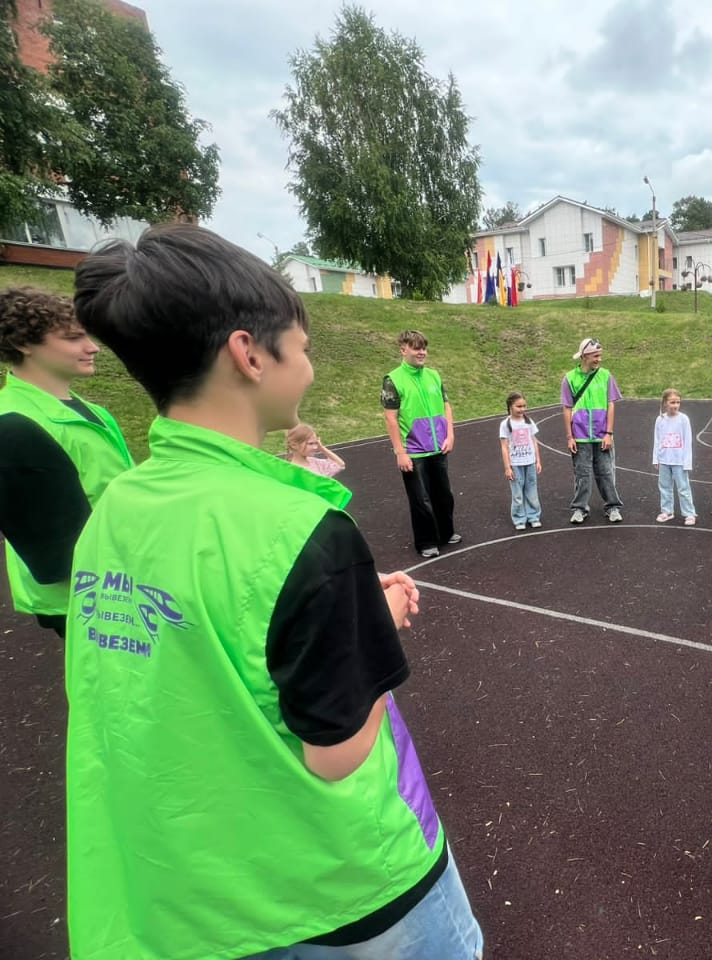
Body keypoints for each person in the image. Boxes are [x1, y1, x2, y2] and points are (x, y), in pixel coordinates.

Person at [65, 225, 483, 960]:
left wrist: (335, 606)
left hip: (186, 895)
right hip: (340, 892)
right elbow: (337, 752)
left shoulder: (116, 509)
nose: (311, 367)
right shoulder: (301, 531)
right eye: (302, 347)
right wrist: (372, 618)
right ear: (249, 354)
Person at [0, 287, 133, 637]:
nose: (93, 347)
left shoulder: (93, 411)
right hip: (83, 596)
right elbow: (54, 551)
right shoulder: (11, 424)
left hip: (120, 578)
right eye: (74, 338)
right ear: (24, 344)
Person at [382, 329, 460, 559]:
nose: (421, 352)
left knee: (444, 494)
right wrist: (400, 452)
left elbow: (446, 406)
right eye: (416, 348)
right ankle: (426, 541)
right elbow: (391, 418)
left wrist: (450, 435)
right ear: (403, 350)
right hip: (414, 451)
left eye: (424, 348)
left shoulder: (433, 375)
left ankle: (446, 533)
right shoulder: (393, 380)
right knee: (420, 499)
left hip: (439, 446)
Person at [561, 336, 623, 524]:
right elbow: (567, 408)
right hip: (580, 436)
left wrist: (609, 433)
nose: (599, 359)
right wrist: (570, 436)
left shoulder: (606, 376)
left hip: (601, 435)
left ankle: (612, 506)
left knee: (606, 473)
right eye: (596, 355)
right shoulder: (569, 378)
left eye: (600, 355)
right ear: (585, 356)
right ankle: (580, 508)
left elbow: (610, 404)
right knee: (582, 475)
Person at [652, 388, 696, 525]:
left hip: (679, 461)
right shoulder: (660, 419)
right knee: (664, 487)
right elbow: (657, 440)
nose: (675, 405)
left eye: (678, 402)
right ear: (665, 402)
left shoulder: (683, 419)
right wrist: (656, 458)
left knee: (683, 488)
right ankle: (667, 511)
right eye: (672, 402)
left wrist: (687, 462)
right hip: (664, 460)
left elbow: (687, 441)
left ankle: (689, 513)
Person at [500, 390, 543, 530]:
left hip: (530, 462)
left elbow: (534, 442)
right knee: (517, 494)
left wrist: (538, 461)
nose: (522, 409)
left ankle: (533, 516)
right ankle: (519, 519)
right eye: (519, 406)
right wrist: (507, 467)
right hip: (515, 464)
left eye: (524, 406)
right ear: (510, 406)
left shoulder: (528, 422)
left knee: (532, 491)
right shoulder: (505, 424)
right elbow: (504, 447)